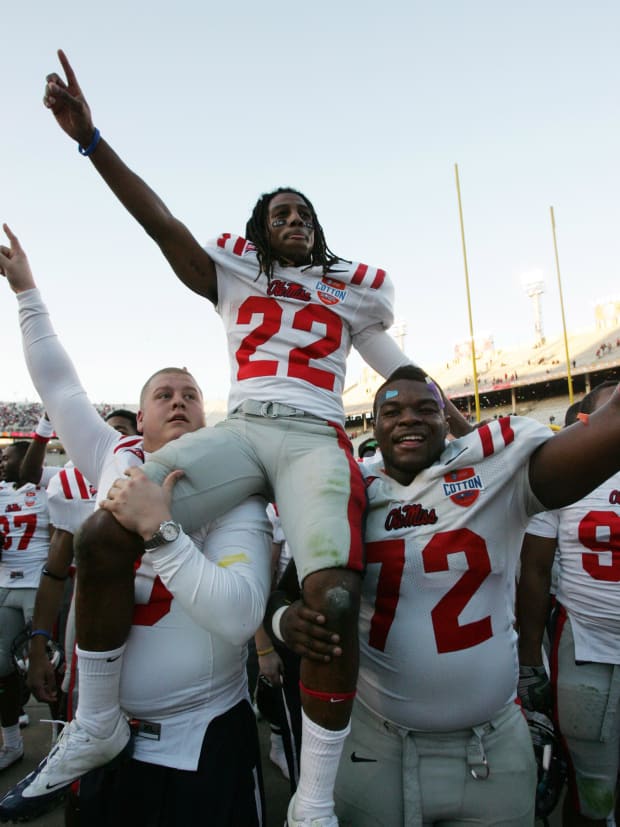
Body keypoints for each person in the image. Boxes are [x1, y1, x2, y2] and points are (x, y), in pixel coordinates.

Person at [35, 50, 471, 827]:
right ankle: (97, 719)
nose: (295, 220)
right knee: (104, 533)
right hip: (242, 430)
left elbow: (401, 371)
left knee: (334, 597)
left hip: (314, 438)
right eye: (281, 213)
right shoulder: (233, 271)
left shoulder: (353, 289)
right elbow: (158, 220)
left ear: (319, 227)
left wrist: (469, 433)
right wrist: (92, 140)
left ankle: (311, 799)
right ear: (258, 231)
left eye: (304, 212)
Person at [0, 227, 272, 826]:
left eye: (191, 395)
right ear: (140, 415)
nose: (179, 402)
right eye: (164, 394)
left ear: (207, 415)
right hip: (106, 743)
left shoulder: (238, 488)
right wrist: (25, 292)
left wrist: (161, 531)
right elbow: (60, 385)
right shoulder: (111, 460)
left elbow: (236, 616)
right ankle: (93, 728)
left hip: (203, 733)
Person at [268, 365, 620, 826]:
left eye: (424, 408)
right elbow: (283, 594)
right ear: (373, 426)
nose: (408, 419)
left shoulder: (498, 478)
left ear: (447, 418)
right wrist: (282, 621)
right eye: (391, 411)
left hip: (490, 742)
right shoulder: (352, 495)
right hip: (376, 742)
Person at [517, 380, 620, 827]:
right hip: (587, 645)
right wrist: (529, 662)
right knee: (592, 793)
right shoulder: (564, 474)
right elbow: (535, 573)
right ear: (587, 420)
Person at [0, 440, 52, 772]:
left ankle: (59, 747)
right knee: (2, 672)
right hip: (4, 586)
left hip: (39, 587)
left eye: (6, 457)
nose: (1, 462)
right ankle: (12, 745)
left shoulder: (51, 489)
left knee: (50, 671)